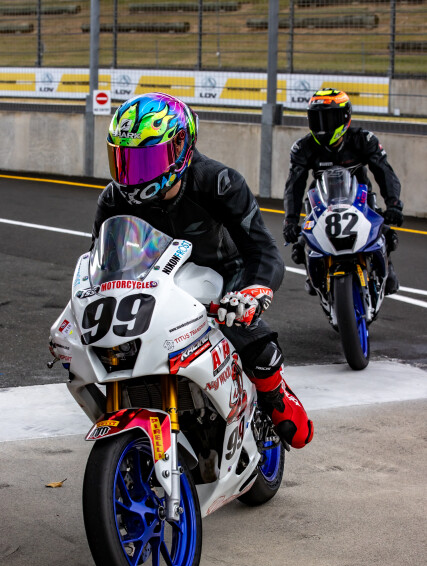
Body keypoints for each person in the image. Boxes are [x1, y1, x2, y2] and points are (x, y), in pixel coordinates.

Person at [92, 92, 313, 450]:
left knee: (250, 342)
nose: (133, 175)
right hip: (155, 284)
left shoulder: (219, 182)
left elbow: (262, 249)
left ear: (180, 147)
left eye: (146, 161)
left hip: (223, 278)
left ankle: (275, 394)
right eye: (125, 161)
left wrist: (254, 292)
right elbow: (100, 263)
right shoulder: (113, 199)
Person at [282, 88, 403, 295]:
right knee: (298, 247)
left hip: (361, 199)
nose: (323, 126)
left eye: (329, 118)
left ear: (345, 117)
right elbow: (294, 185)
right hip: (322, 201)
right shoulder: (303, 147)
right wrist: (290, 221)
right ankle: (313, 272)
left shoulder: (363, 139)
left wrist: (393, 204)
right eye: (317, 119)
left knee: (387, 234)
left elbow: (384, 172)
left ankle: (387, 264)